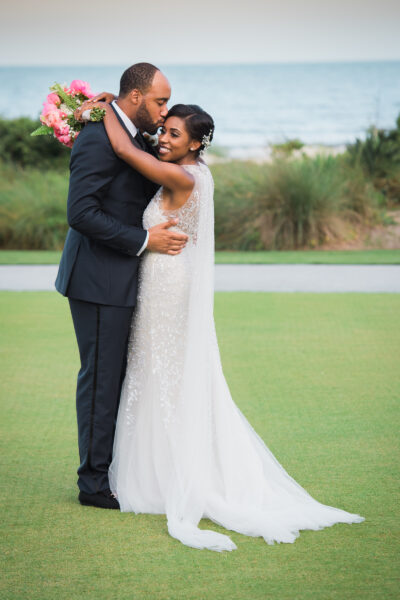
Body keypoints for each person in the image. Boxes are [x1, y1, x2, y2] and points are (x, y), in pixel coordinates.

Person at [80, 97, 365, 551]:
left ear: (197, 143)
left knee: (161, 371)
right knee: (157, 370)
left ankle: (167, 473)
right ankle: (162, 465)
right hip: (165, 276)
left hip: (167, 284)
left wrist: (102, 111)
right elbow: (142, 151)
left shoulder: (180, 174)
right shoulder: (198, 171)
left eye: (175, 134)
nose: (163, 139)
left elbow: (127, 152)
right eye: (165, 129)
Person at [55, 63, 189, 510]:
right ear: (135, 98)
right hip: (96, 278)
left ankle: (110, 469)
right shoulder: (97, 137)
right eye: (159, 101)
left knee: (117, 378)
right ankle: (92, 485)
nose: (165, 109)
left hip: (122, 276)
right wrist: (145, 240)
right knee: (101, 380)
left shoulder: (131, 135)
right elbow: (81, 213)